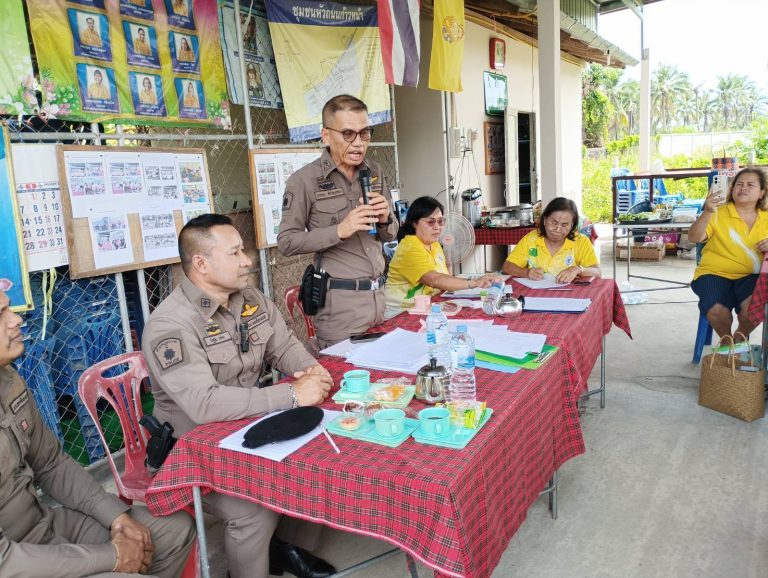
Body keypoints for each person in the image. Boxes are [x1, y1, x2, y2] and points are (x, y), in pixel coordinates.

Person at [142, 214, 336, 578]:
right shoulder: (170, 325)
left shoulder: (250, 298)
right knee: (254, 510)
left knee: (321, 460)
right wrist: (292, 394)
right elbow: (204, 404)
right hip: (192, 449)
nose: (247, 259)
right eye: (235, 253)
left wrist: (312, 371)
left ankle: (284, 549)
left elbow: (285, 346)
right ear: (201, 264)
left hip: (249, 427)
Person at [0, 291, 196, 577]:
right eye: (1, 314)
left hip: (44, 527)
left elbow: (51, 463)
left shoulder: (9, 380)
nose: (16, 320)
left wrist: (116, 516)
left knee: (171, 533)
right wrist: (112, 557)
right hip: (15, 559)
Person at [278, 94, 397, 347]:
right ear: (326, 135)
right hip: (340, 307)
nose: (358, 143)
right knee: (350, 381)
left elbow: (391, 234)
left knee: (386, 382)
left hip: (379, 299)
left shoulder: (374, 172)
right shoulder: (304, 181)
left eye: (364, 133)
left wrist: (387, 219)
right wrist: (340, 230)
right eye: (348, 134)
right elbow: (287, 242)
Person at [384, 196, 501, 318]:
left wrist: (449, 265)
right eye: (430, 222)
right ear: (414, 223)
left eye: (440, 221)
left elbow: (445, 279)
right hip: (401, 313)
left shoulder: (435, 245)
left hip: (427, 308)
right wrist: (475, 282)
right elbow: (434, 280)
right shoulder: (410, 246)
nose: (437, 227)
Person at [688, 167, 768, 340]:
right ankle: (726, 342)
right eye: (739, 184)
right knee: (717, 311)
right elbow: (694, 237)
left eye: (750, 184)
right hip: (713, 274)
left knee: (754, 308)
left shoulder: (766, 217)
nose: (743, 188)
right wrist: (707, 211)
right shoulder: (717, 213)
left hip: (753, 276)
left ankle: (739, 338)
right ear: (732, 190)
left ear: (761, 192)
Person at [502, 196, 601, 282]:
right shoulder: (531, 239)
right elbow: (507, 267)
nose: (558, 229)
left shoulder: (580, 241)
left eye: (564, 225)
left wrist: (578, 270)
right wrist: (526, 272)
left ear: (572, 224)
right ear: (544, 220)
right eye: (553, 222)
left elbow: (597, 272)